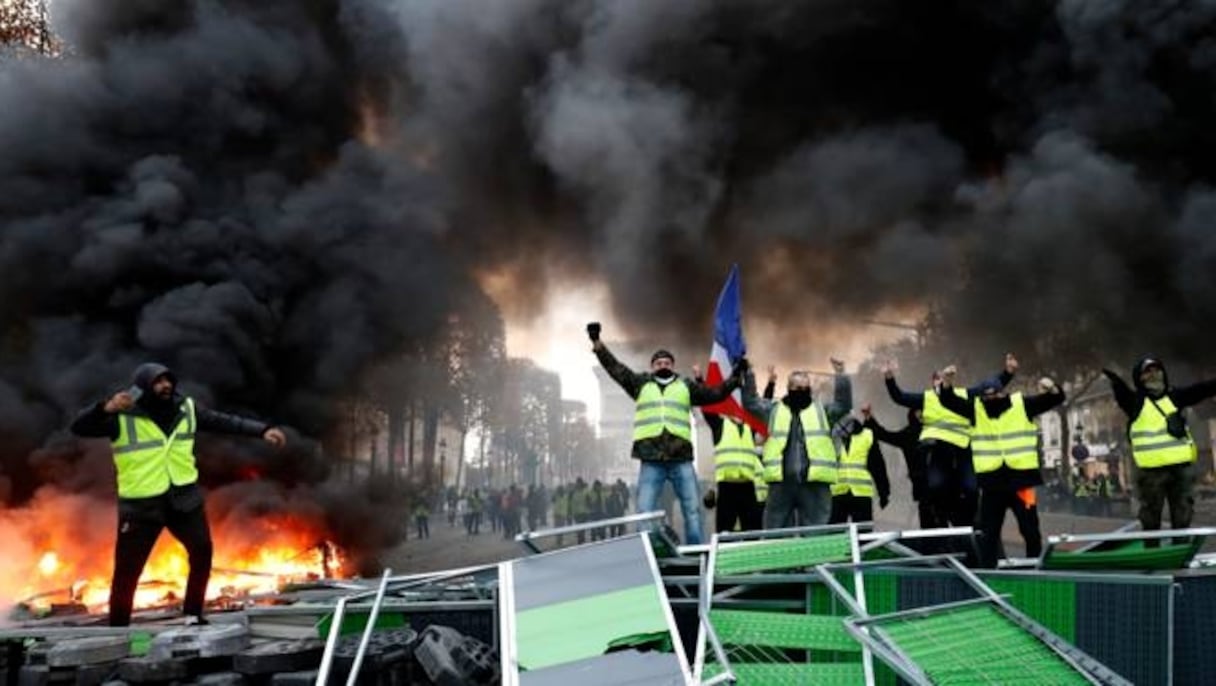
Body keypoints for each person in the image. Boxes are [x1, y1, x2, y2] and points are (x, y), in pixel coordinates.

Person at [70, 362, 287, 626]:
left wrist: (262, 430)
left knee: (202, 551)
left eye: (168, 381)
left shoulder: (186, 408)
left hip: (183, 499)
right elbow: (79, 427)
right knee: (127, 571)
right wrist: (105, 408)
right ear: (142, 387)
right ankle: (118, 628)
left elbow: (224, 421)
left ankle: (193, 614)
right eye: (158, 382)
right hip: (142, 505)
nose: (166, 386)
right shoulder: (121, 415)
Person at [588, 323, 743, 545]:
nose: (663, 365)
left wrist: (734, 379)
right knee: (645, 511)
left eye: (667, 362)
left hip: (680, 457)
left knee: (692, 510)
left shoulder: (686, 386)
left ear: (674, 366)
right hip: (651, 459)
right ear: (651, 367)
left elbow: (714, 394)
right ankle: (650, 551)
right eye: (659, 363)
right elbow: (616, 369)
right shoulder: (639, 384)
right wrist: (597, 344)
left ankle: (696, 553)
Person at [939, 375, 1064, 567]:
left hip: (1022, 482)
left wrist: (1053, 388)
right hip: (992, 485)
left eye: (994, 394)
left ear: (1002, 392)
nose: (991, 399)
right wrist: (946, 384)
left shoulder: (1021, 404)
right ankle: (989, 571)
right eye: (986, 396)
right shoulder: (976, 409)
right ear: (982, 397)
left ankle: (1034, 567)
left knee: (1030, 529)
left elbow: (1054, 399)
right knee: (989, 532)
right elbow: (949, 401)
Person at [882, 355, 1017, 529]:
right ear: (932, 382)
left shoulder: (963, 394)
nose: (940, 381)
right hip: (939, 450)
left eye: (943, 377)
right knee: (936, 486)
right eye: (937, 378)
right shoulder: (927, 398)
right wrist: (889, 377)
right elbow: (899, 397)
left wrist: (1009, 372)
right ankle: (941, 517)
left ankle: (970, 522)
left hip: (963, 449)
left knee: (971, 489)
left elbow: (989, 388)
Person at [1103, 358, 1216, 537]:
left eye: (1157, 370)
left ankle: (1180, 546)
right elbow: (1123, 396)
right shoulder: (1136, 402)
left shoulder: (1175, 396)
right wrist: (1116, 384)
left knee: (1183, 512)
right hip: (1151, 473)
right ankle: (1152, 548)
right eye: (1147, 372)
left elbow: (1200, 390)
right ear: (1139, 378)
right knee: (1150, 516)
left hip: (1180, 469)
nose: (1153, 375)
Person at [742, 361, 852, 529]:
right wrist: (748, 374)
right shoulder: (773, 410)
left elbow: (843, 405)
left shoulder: (822, 411)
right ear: (789, 388)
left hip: (814, 485)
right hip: (781, 485)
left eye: (805, 388)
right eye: (798, 388)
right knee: (776, 536)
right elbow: (751, 403)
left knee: (815, 537)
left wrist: (841, 375)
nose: (802, 392)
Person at [693, 364, 763, 533]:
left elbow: (758, 407)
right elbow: (707, 407)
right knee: (725, 532)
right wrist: (700, 380)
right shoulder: (719, 425)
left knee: (753, 530)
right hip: (727, 487)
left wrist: (749, 375)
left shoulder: (749, 427)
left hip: (748, 486)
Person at [865, 406, 932, 527]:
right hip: (922, 487)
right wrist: (870, 419)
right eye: (918, 412)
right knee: (927, 518)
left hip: (941, 486)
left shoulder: (938, 432)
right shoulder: (909, 434)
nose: (921, 415)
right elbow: (885, 435)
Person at [829, 411, 890, 524]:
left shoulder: (867, 436)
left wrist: (884, 492)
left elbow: (877, 466)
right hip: (838, 493)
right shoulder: (833, 437)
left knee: (863, 535)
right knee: (835, 535)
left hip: (861, 494)